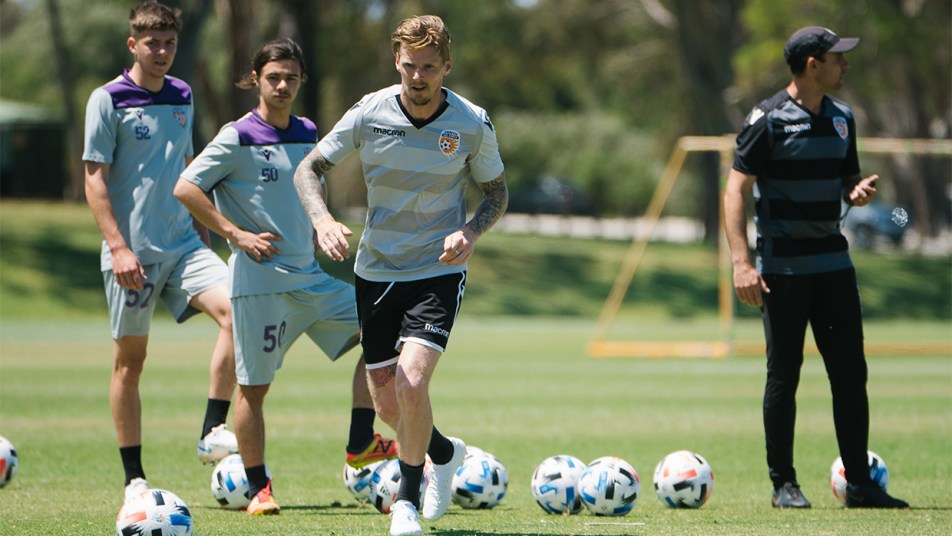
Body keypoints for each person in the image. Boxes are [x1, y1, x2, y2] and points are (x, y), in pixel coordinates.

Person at [294, 15, 508, 536]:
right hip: (375, 271)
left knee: (413, 381)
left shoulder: (471, 123)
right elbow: (308, 169)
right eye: (410, 66)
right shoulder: (370, 112)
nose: (418, 77)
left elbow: (497, 193)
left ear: (447, 67)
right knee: (388, 400)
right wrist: (321, 221)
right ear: (397, 62)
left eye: (429, 68)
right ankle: (443, 452)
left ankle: (407, 504)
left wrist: (470, 233)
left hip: (437, 270)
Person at [174, 38, 398, 516]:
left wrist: (324, 223)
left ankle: (360, 442)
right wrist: (236, 234)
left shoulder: (307, 131)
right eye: (273, 77)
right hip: (259, 288)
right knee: (254, 391)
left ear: (300, 81)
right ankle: (259, 490)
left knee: (384, 334)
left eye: (291, 78)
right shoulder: (237, 135)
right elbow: (186, 187)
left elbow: (310, 187)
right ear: (255, 79)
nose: (282, 85)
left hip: (310, 279)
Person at [723, 26, 909, 509]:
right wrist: (742, 263)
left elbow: (848, 180)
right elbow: (734, 191)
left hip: (834, 268)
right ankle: (783, 484)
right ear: (812, 64)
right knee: (784, 376)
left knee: (850, 375)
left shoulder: (843, 118)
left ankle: (861, 485)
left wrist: (856, 192)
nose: (844, 66)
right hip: (782, 272)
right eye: (837, 58)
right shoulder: (766, 119)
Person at [82, 1, 239, 504]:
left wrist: (202, 221)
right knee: (131, 362)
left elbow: (188, 164)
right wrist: (119, 247)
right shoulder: (107, 100)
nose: (163, 51)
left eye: (169, 42)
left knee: (241, 311)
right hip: (132, 257)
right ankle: (134, 478)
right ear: (133, 44)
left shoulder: (183, 94)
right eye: (152, 42)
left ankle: (212, 428)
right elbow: (94, 180)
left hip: (185, 246)